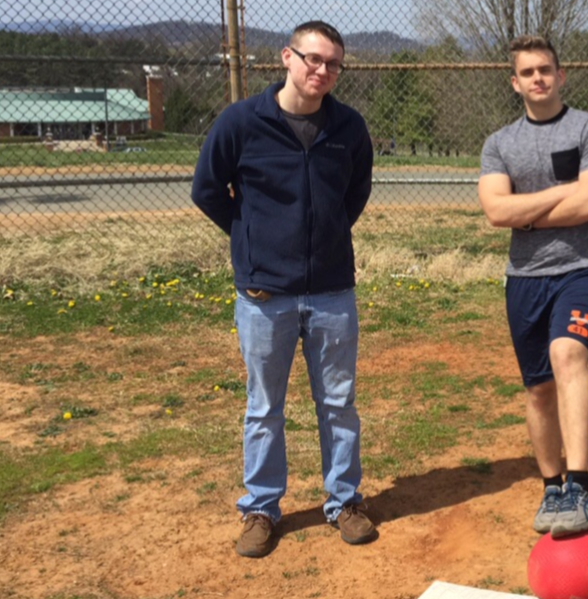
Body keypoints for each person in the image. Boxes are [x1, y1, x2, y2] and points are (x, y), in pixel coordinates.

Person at [191, 20, 376, 558]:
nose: (322, 71)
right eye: (312, 59)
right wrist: (251, 236)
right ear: (287, 58)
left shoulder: (348, 127)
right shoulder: (242, 122)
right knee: (263, 407)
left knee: (338, 404)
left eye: (333, 64)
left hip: (332, 293)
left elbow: (355, 191)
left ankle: (344, 501)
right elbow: (207, 188)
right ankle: (261, 509)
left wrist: (330, 233)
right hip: (263, 298)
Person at [478, 36, 588, 538]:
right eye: (527, 72)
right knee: (538, 390)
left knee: (567, 354)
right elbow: (496, 211)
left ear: (561, 76)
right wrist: (561, 192)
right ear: (514, 82)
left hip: (587, 269)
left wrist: (528, 211)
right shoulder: (499, 144)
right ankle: (552, 487)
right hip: (525, 280)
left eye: (545, 70)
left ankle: (579, 485)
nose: (537, 78)